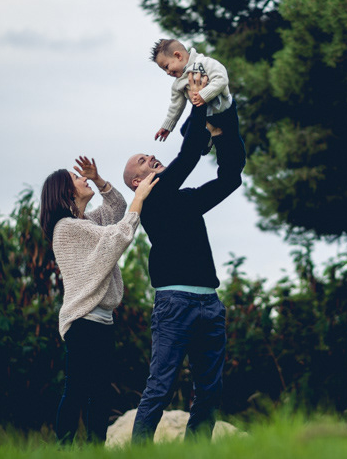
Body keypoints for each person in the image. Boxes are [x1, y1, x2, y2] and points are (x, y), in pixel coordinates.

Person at [123, 72, 246, 443]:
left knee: (210, 391)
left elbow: (231, 178)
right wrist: (197, 102)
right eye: (143, 160)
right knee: (160, 388)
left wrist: (224, 130)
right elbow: (190, 152)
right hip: (174, 305)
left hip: (210, 304)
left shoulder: (187, 200)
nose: (151, 157)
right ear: (136, 182)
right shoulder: (150, 202)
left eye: (150, 155)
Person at [40, 156, 158, 444]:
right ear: (66, 192)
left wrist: (99, 179)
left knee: (101, 392)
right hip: (83, 322)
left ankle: (95, 449)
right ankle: (63, 449)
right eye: (77, 178)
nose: (83, 179)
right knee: (77, 391)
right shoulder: (66, 228)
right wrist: (139, 199)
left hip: (103, 321)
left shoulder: (87, 222)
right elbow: (116, 237)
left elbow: (116, 208)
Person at [151, 38, 243, 157]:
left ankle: (236, 156)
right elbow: (175, 106)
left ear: (178, 56)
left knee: (232, 143)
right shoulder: (178, 84)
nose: (167, 72)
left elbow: (221, 79)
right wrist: (167, 126)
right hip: (205, 115)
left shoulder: (204, 63)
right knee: (185, 130)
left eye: (167, 67)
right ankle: (207, 139)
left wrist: (203, 95)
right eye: (164, 70)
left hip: (224, 111)